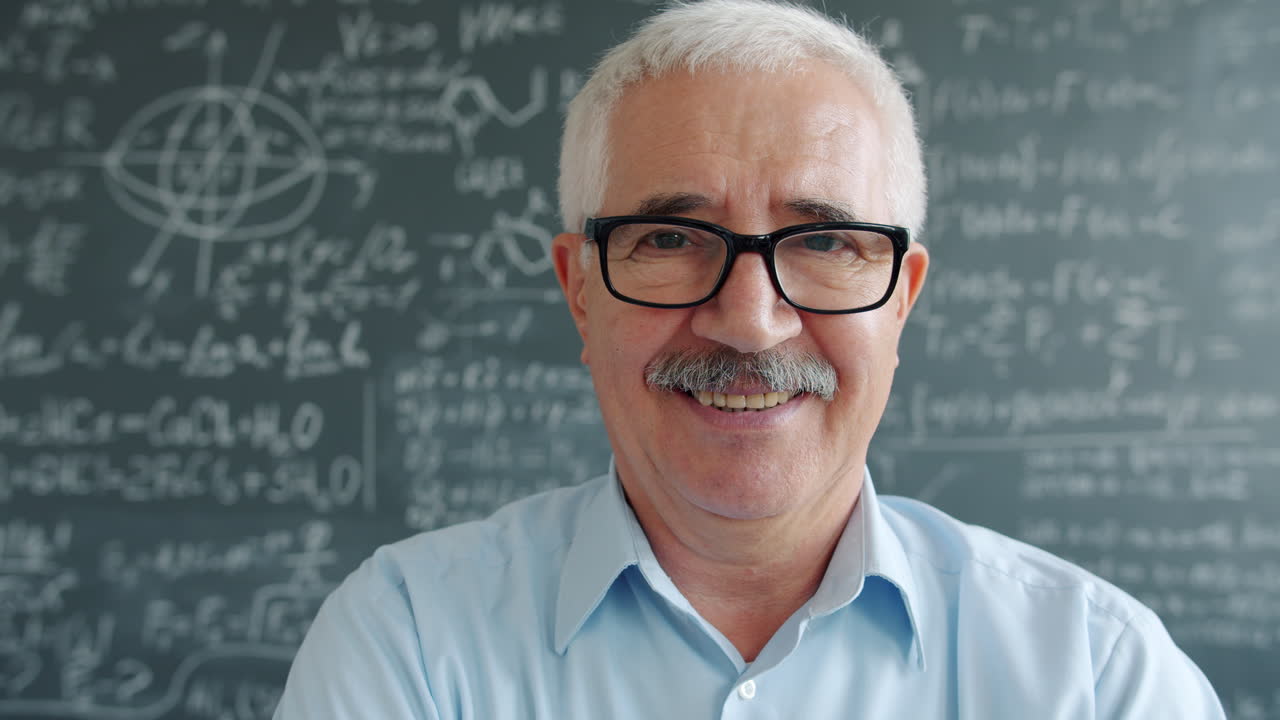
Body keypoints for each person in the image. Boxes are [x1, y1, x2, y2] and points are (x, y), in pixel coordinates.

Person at [274, 1, 1226, 717]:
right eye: (670, 238)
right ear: (578, 289)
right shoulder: (408, 645)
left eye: (824, 244)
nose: (749, 322)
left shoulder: (1097, 676)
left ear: (902, 297)